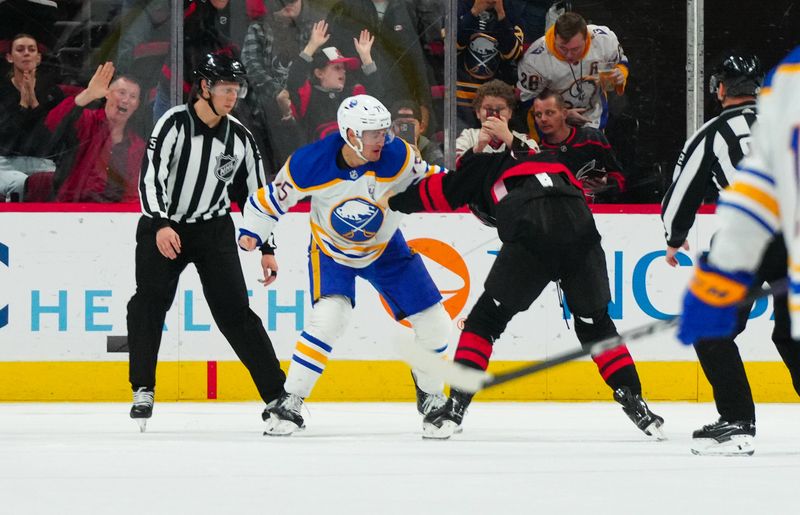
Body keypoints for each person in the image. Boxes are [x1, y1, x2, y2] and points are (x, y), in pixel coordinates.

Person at [382, 137, 664, 440]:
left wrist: (389, 201)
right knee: (596, 325)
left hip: (533, 230)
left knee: (484, 323)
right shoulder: (553, 158)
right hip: (582, 230)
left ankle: (455, 407)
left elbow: (435, 193)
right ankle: (636, 402)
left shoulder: (481, 167)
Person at [237, 94, 452, 436]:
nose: (383, 139)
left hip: (386, 248)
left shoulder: (398, 156)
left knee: (438, 326)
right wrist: (252, 232)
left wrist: (474, 189)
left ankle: (430, 393)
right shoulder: (311, 163)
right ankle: (290, 399)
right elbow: (269, 200)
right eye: (374, 133)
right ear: (351, 135)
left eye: (385, 131)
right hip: (332, 251)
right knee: (329, 319)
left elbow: (432, 180)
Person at [126, 53, 286, 432]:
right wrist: (162, 223)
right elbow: (151, 177)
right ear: (204, 87)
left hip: (213, 228)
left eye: (237, 89)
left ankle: (278, 395)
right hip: (163, 226)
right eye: (226, 89)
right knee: (147, 304)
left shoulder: (240, 136)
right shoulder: (173, 124)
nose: (233, 97)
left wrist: (267, 246)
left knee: (236, 314)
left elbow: (258, 195)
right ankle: (143, 388)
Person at [677, 46, 800, 456]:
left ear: (720, 89)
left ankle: (737, 420)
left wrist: (674, 237)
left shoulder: (713, 132)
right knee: (792, 334)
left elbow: (681, 192)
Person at [325, 0, 433, 132]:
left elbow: (418, 60)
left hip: (401, 102)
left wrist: (424, 103)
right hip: (360, 102)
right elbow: (332, 56)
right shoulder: (344, 8)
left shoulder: (408, 7)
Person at [43, 63, 144, 203]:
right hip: (74, 208)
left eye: (133, 96)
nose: (126, 100)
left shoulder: (138, 146)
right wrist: (88, 94)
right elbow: (52, 122)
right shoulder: (87, 121)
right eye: (121, 93)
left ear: (137, 105)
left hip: (116, 216)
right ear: (107, 94)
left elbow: (134, 192)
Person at [517, 11, 628, 130]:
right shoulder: (535, 59)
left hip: (595, 118)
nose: (569, 55)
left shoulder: (604, 40)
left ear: (587, 38)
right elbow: (526, 101)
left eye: (575, 49)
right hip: (551, 125)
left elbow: (621, 62)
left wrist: (620, 73)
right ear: (555, 38)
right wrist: (561, 115)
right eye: (563, 48)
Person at [284, 21, 380, 143]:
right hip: (320, 159)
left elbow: (376, 98)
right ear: (319, 73)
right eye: (337, 68)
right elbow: (294, 80)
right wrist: (311, 46)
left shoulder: (352, 95)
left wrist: (366, 58)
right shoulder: (308, 96)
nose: (343, 72)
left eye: (344, 68)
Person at [0, 33, 64, 200]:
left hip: (43, 163)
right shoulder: (2, 91)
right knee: (19, 183)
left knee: (57, 182)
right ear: (9, 57)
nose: (26, 53)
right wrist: (22, 105)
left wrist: (34, 103)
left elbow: (53, 139)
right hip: (4, 163)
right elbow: (5, 139)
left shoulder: (53, 93)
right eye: (20, 50)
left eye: (31, 49)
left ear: (38, 58)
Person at [533, 89, 626, 203]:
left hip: (602, 212)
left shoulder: (592, 137)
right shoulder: (538, 153)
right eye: (538, 114)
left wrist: (606, 186)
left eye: (550, 113)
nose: (543, 119)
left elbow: (620, 178)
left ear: (564, 114)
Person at [456, 0, 524, 129]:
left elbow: (512, 54)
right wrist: (473, 12)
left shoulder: (511, 11)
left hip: (497, 103)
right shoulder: (459, 6)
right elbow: (451, 46)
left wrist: (501, 16)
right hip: (461, 98)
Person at [455, 79, 537, 161]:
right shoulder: (468, 136)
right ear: (478, 112)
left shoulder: (524, 139)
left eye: (500, 108)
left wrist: (509, 139)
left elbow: (536, 164)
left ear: (510, 113)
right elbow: (455, 168)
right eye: (488, 108)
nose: (494, 114)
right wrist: (479, 147)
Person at [389, 98, 444, 167]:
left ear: (421, 127)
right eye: (400, 124)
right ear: (392, 128)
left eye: (410, 124)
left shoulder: (429, 149)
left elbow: (442, 175)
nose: (405, 129)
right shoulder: (384, 147)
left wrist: (420, 164)